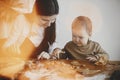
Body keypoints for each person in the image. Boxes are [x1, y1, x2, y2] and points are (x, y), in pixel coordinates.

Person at [0, 0, 59, 78]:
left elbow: (53, 46)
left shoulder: (50, 24)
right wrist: (9, 49)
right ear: (34, 13)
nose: (48, 24)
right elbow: (7, 45)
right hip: (19, 70)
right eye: (44, 20)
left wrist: (53, 53)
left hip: (40, 71)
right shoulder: (21, 20)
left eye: (53, 20)